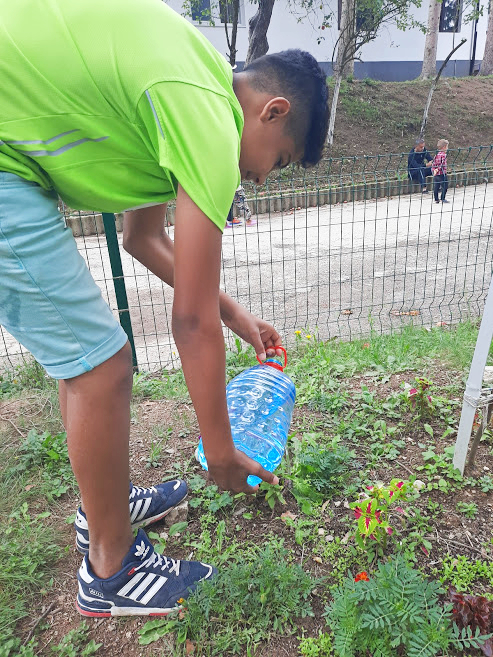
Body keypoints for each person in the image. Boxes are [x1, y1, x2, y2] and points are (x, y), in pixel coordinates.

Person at [0, 0, 329, 618]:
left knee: (87, 361)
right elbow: (189, 321)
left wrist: (237, 316)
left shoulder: (196, 85)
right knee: (101, 366)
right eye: (278, 160)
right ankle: (110, 567)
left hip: (11, 153)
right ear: (271, 110)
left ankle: (105, 507)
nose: (263, 179)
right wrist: (222, 450)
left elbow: (142, 237)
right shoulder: (208, 118)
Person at [432, 139, 449, 204]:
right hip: (442, 173)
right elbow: (442, 164)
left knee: (436, 186)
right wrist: (438, 169)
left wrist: (434, 170)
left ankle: (436, 199)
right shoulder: (444, 155)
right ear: (444, 147)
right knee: (445, 186)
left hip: (436, 174)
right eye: (447, 147)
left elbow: (433, 163)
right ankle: (442, 198)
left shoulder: (436, 155)